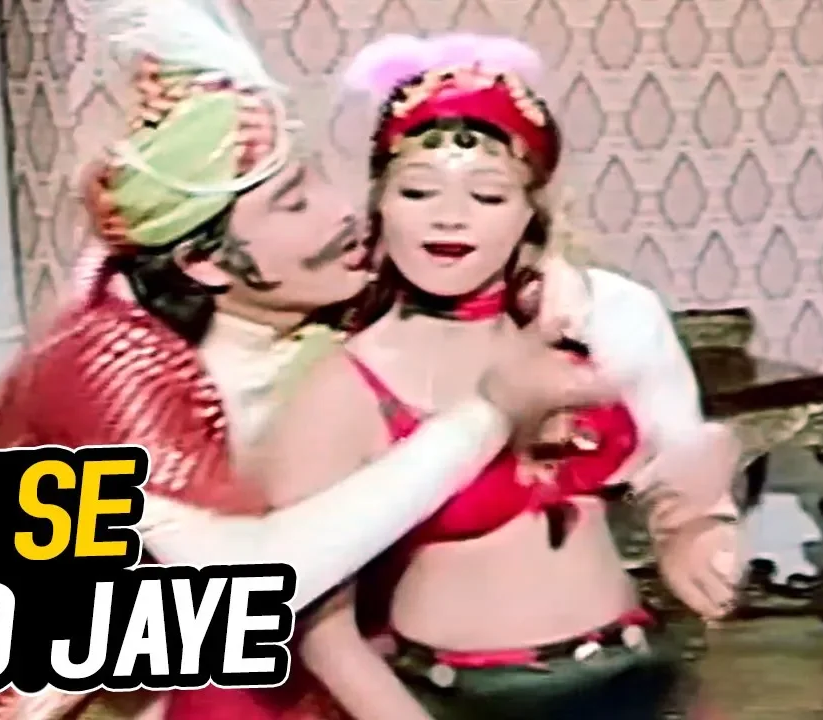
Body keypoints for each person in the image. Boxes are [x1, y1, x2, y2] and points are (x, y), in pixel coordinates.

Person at [0, 6, 617, 720]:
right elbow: (258, 582)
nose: (343, 213)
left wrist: (547, 276)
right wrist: (486, 415)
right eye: (293, 202)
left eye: (319, 181)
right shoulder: (114, 360)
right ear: (207, 263)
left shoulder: (308, 302)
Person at [253, 33, 744, 720]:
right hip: (465, 700)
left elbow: (674, 465)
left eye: (486, 196)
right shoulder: (344, 387)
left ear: (529, 214)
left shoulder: (585, 328)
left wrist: (692, 529)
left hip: (630, 673)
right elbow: (317, 625)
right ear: (381, 204)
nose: (449, 216)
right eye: (418, 191)